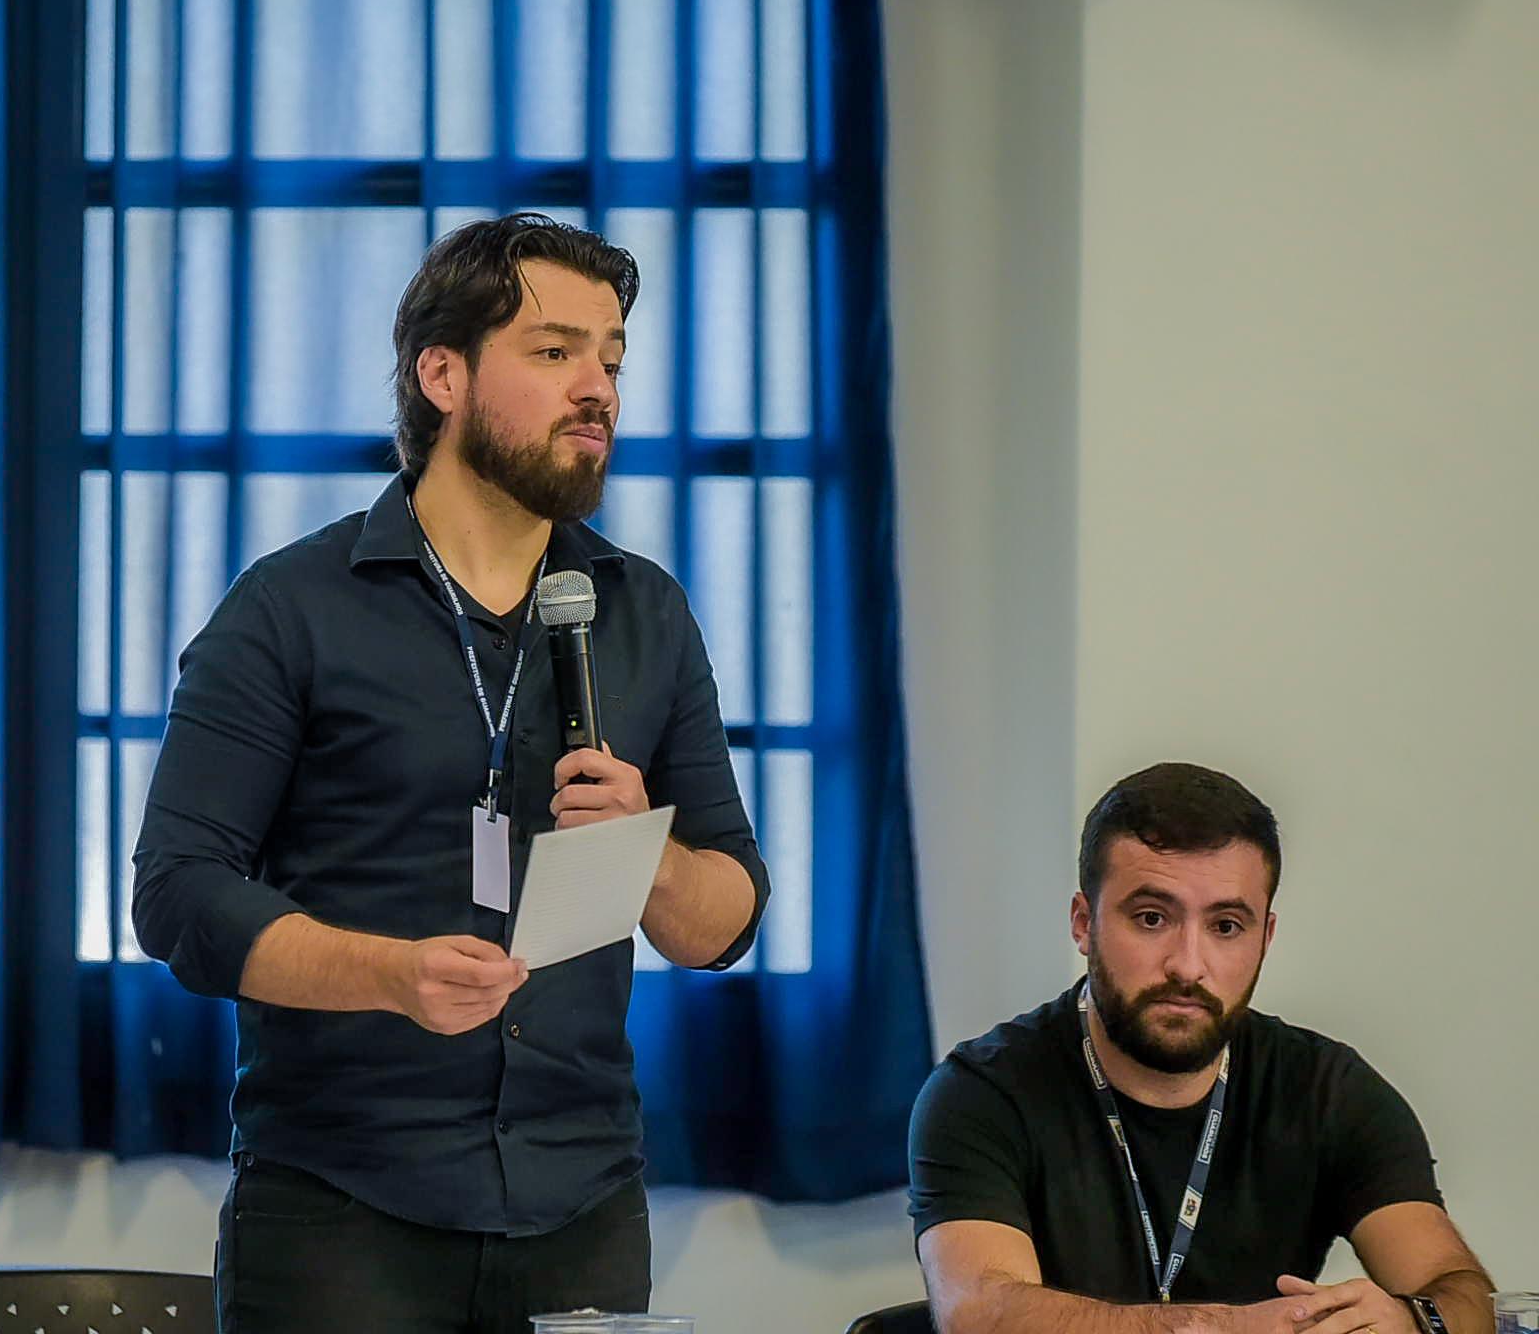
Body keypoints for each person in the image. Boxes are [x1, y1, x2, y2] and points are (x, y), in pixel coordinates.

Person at [132, 212, 768, 1334]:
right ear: (442, 375)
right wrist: (387, 975)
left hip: (582, 1204)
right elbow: (178, 894)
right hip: (342, 1211)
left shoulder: (645, 613)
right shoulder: (291, 608)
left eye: (612, 360)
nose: (597, 390)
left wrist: (648, 856)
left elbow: (725, 918)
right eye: (554, 351)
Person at [907, 762, 1493, 1334]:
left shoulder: (1328, 1090)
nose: (1188, 966)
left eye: (1226, 926)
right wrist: (1222, 1328)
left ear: (1265, 938)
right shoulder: (982, 1093)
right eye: (1152, 918)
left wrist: (1413, 1320)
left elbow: (1465, 1294)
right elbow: (981, 1313)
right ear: (1084, 923)